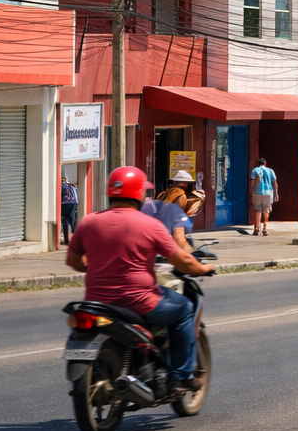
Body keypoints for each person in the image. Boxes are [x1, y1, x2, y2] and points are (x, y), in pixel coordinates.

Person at [65, 166, 213, 391]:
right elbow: (181, 261)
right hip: (140, 302)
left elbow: (74, 262)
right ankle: (181, 376)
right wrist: (203, 268)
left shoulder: (88, 221)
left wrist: (102, 265)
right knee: (185, 308)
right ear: (139, 194)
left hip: (97, 303)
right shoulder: (150, 224)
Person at [248, 157, 278, 236]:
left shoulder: (255, 170)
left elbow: (252, 182)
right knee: (266, 210)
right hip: (268, 193)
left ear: (258, 164)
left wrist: (250, 192)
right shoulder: (270, 171)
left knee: (257, 210)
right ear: (265, 163)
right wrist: (276, 194)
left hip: (257, 192)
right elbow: (275, 183)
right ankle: (265, 228)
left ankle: (257, 228)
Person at [60, 174, 78, 245]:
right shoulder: (72, 185)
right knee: (71, 220)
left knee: (63, 219)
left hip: (65, 202)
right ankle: (74, 237)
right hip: (74, 202)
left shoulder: (61, 185)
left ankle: (63, 235)